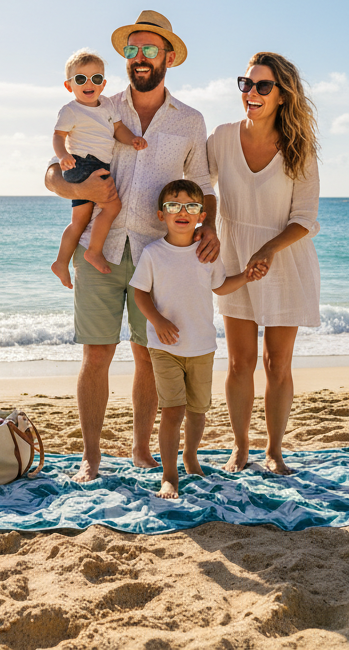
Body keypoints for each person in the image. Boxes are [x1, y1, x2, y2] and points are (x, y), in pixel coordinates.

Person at [43, 10, 219, 482]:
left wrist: (211, 229)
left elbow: (202, 185)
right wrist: (83, 192)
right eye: (132, 50)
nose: (139, 58)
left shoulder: (191, 121)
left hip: (156, 253)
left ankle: (142, 450)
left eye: (149, 50)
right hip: (98, 249)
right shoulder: (98, 103)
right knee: (96, 354)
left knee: (148, 355)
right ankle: (92, 457)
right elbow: (51, 174)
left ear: (168, 57)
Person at [208, 51, 320, 474]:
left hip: (283, 261)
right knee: (239, 362)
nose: (251, 93)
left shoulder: (298, 149)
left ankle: (274, 450)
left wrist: (269, 250)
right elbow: (204, 182)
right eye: (246, 84)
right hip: (236, 257)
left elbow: (304, 219)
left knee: (277, 363)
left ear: (282, 95)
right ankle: (241, 447)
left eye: (262, 86)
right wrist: (208, 227)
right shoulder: (221, 137)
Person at [130, 180, 254, 498]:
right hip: (165, 347)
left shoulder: (207, 253)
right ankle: (169, 476)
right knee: (173, 409)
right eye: (174, 205)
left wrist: (246, 276)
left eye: (191, 206)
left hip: (201, 345)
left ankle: (190, 455)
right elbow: (139, 292)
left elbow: (221, 286)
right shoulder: (153, 253)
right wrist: (157, 321)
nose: (182, 211)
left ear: (201, 215)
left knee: (198, 411)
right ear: (161, 214)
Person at [51, 48, 148, 287]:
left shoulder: (107, 106)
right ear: (69, 86)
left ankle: (61, 262)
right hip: (82, 163)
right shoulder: (70, 110)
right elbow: (58, 135)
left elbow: (118, 129)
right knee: (112, 206)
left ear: (103, 84)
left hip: (98, 163)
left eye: (95, 78)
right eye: (80, 79)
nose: (89, 83)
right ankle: (92, 251)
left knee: (80, 221)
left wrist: (132, 138)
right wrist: (62, 155)